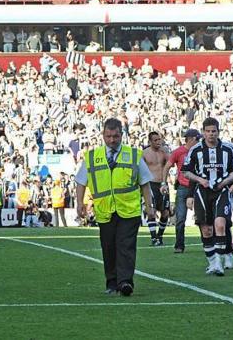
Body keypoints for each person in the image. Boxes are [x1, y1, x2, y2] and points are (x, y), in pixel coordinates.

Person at [75, 118, 155, 296]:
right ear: (103, 135)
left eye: (116, 136)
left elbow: (145, 183)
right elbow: (81, 181)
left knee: (126, 246)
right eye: (109, 136)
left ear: (122, 135)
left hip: (129, 210)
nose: (112, 140)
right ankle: (112, 282)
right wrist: (80, 203)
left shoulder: (133, 155)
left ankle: (125, 282)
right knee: (108, 247)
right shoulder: (91, 157)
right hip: (105, 211)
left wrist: (149, 207)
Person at [182, 117, 233, 276]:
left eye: (214, 131)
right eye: (208, 131)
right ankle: (212, 262)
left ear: (218, 132)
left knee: (220, 225)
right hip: (202, 192)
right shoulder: (196, 150)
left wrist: (232, 182)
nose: (211, 134)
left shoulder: (228, 149)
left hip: (222, 191)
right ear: (203, 133)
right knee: (206, 229)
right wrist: (198, 182)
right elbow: (186, 171)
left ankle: (219, 261)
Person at [163, 129, 201, 253]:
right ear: (191, 139)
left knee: (203, 218)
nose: (199, 141)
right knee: (180, 219)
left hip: (198, 186)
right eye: (197, 139)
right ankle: (179, 245)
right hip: (183, 187)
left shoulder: (200, 150)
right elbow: (167, 167)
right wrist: (164, 183)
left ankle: (208, 243)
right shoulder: (178, 152)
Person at [143, 132, 171, 246]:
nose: (158, 142)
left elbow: (171, 163)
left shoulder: (164, 151)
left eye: (159, 139)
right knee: (151, 212)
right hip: (151, 184)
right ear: (150, 142)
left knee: (165, 212)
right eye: (155, 140)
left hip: (163, 184)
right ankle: (154, 238)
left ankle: (160, 236)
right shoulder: (144, 153)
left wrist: (166, 152)